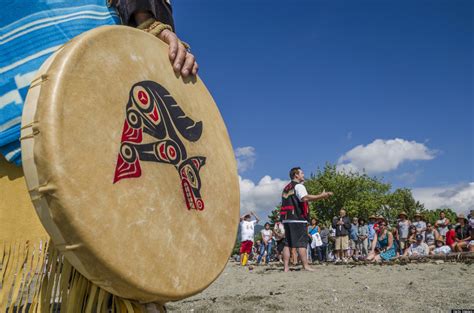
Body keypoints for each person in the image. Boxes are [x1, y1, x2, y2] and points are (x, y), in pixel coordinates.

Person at [280, 167, 333, 272]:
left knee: (287, 244)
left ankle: (286, 267)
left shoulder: (286, 187)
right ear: (296, 175)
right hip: (298, 219)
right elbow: (304, 198)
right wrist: (322, 196)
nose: (303, 175)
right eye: (302, 173)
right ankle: (306, 265)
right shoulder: (299, 186)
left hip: (286, 218)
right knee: (301, 243)